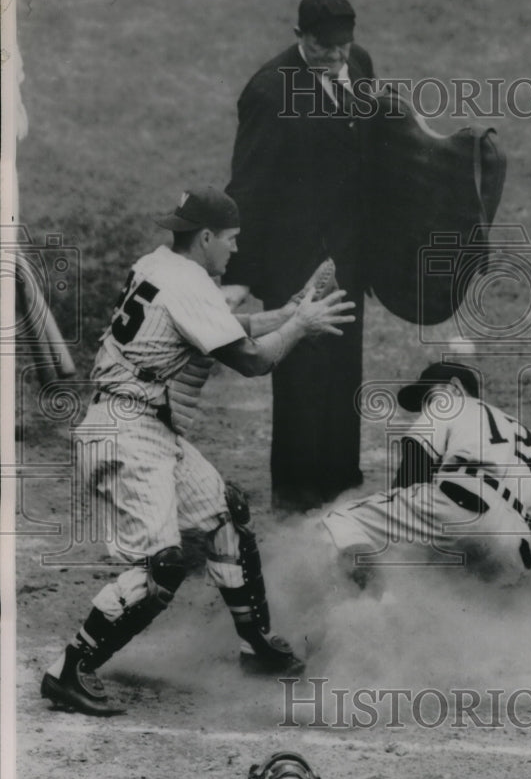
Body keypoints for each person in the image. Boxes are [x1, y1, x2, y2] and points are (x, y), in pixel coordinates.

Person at [41, 187, 355, 716]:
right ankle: (70, 670)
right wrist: (299, 326)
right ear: (206, 237)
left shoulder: (161, 265)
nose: (235, 249)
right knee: (161, 565)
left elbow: (226, 329)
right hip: (126, 433)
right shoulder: (188, 284)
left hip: (143, 427)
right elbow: (253, 361)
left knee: (224, 517)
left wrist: (285, 312)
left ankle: (255, 647)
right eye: (231, 240)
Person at [223, 0, 375, 512]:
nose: (335, 57)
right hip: (296, 262)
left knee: (344, 371)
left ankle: (340, 487)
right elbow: (249, 186)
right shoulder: (269, 91)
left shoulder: (360, 63)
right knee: (302, 379)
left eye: (342, 45)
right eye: (321, 46)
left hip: (349, 254)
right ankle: (296, 501)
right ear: (298, 37)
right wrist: (240, 275)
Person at [320, 362, 531, 603]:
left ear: (455, 387)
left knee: (337, 521)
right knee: (464, 600)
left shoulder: (448, 404)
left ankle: (376, 612)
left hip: (462, 508)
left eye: (429, 395)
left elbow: (410, 481)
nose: (428, 405)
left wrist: (384, 551)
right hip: (515, 550)